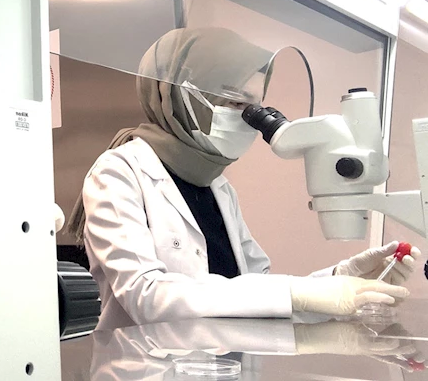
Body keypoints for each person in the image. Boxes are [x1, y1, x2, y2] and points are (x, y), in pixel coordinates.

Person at [68, 28, 420, 330]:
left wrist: (341, 279)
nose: (249, 119)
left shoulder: (219, 187)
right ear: (184, 95)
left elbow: (255, 291)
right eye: (235, 102)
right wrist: (297, 294)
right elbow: (146, 296)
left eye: (255, 107)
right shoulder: (118, 172)